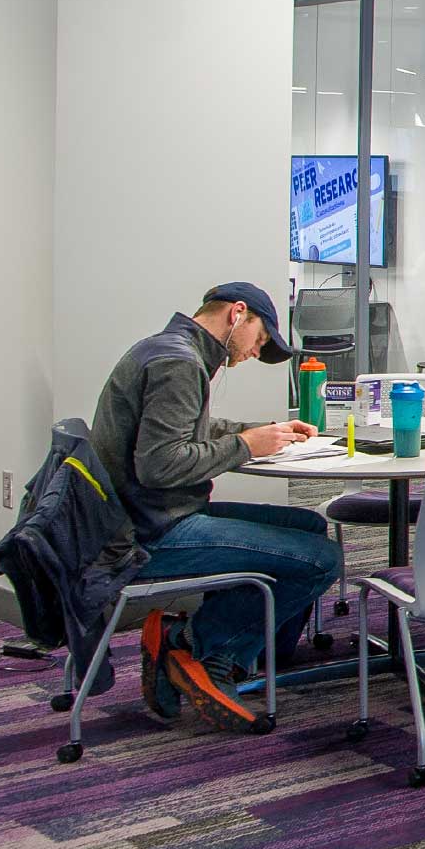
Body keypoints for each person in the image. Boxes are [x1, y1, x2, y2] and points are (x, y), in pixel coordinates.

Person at [89, 284, 340, 732]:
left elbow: (191, 430)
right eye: (260, 339)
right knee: (321, 560)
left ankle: (246, 654)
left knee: (307, 525)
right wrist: (246, 445)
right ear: (237, 314)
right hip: (149, 534)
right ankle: (198, 647)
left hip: (149, 518)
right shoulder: (179, 363)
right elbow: (161, 465)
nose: (251, 354)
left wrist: (266, 431)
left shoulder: (168, 350)